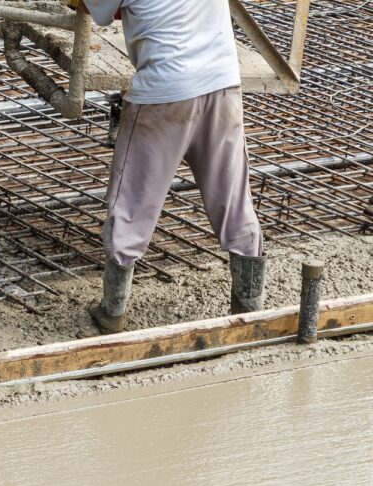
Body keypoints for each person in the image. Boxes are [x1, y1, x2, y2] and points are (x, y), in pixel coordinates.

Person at [74, 0, 266, 332]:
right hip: (223, 85)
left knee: (132, 200)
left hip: (164, 93)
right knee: (232, 197)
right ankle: (249, 308)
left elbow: (97, 12)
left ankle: (113, 312)